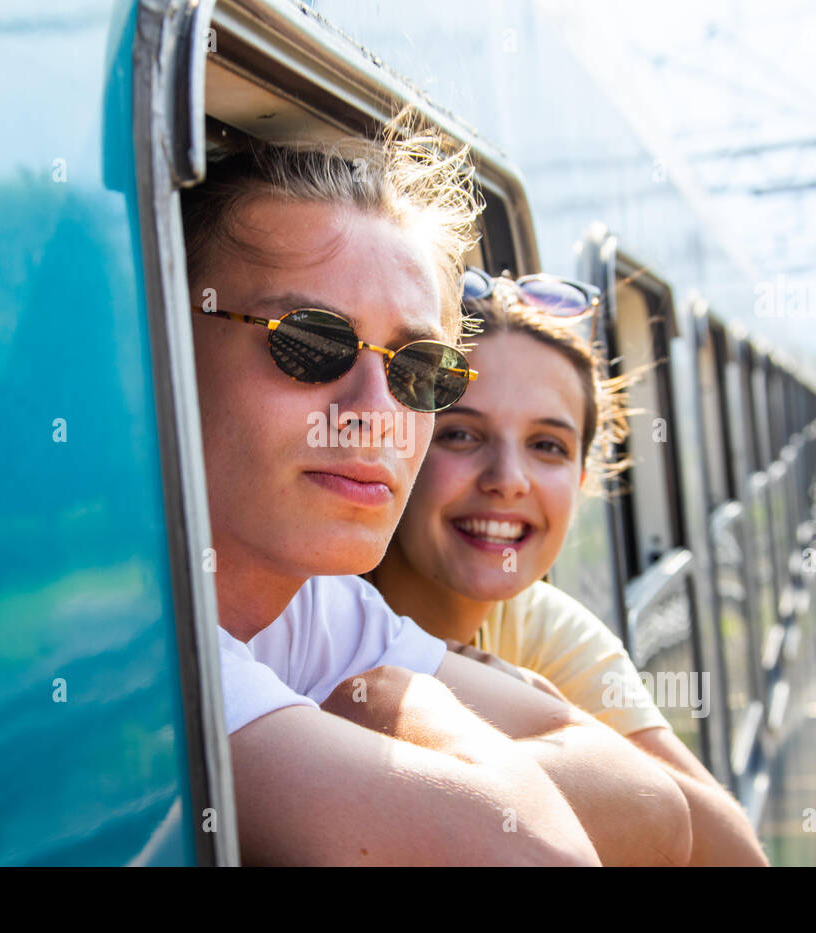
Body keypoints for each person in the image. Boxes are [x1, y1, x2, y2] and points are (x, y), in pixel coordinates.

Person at [182, 109, 695, 865]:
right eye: (308, 342)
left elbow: (656, 811)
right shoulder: (140, 647)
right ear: (161, 347)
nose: (376, 415)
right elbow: (533, 857)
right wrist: (402, 700)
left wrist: (394, 711)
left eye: (417, 370)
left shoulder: (310, 605)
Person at [365, 271, 770, 865]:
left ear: (582, 480)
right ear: (404, 445)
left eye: (547, 445)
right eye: (460, 434)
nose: (508, 479)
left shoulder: (545, 629)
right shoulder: (316, 614)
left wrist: (551, 714)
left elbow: (734, 855)